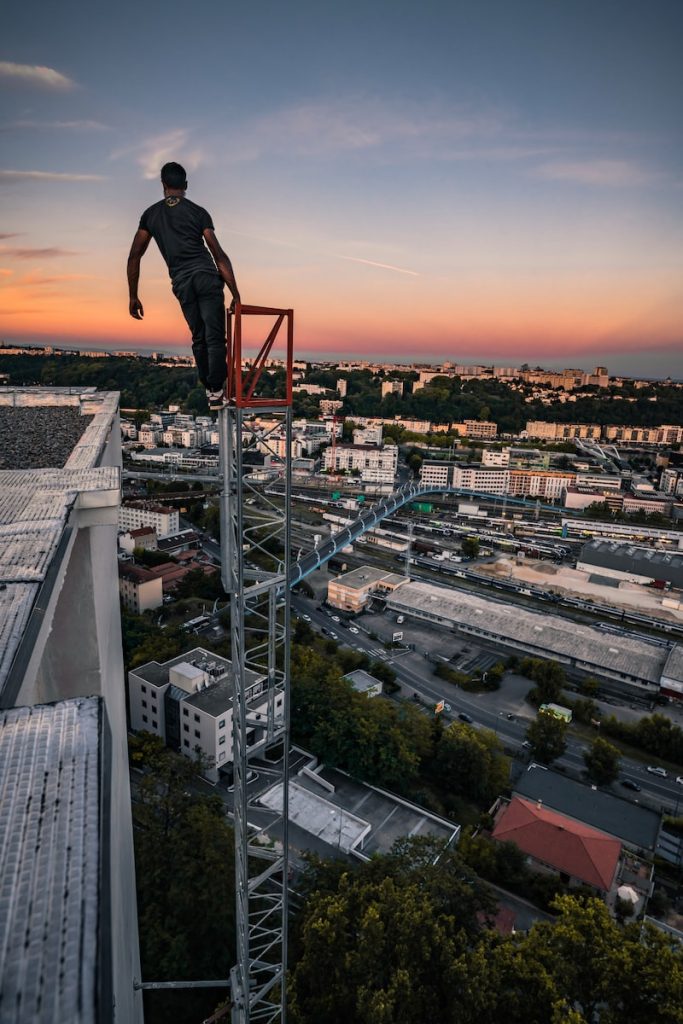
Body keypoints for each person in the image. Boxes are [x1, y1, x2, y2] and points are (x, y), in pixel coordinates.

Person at [127, 161, 240, 410]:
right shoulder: (198, 212)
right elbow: (218, 253)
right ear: (186, 185)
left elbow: (134, 256)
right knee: (214, 337)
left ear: (163, 185)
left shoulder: (150, 215)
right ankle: (217, 391)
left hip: (182, 283)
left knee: (199, 337)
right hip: (207, 277)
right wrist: (236, 293)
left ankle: (210, 389)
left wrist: (133, 296)